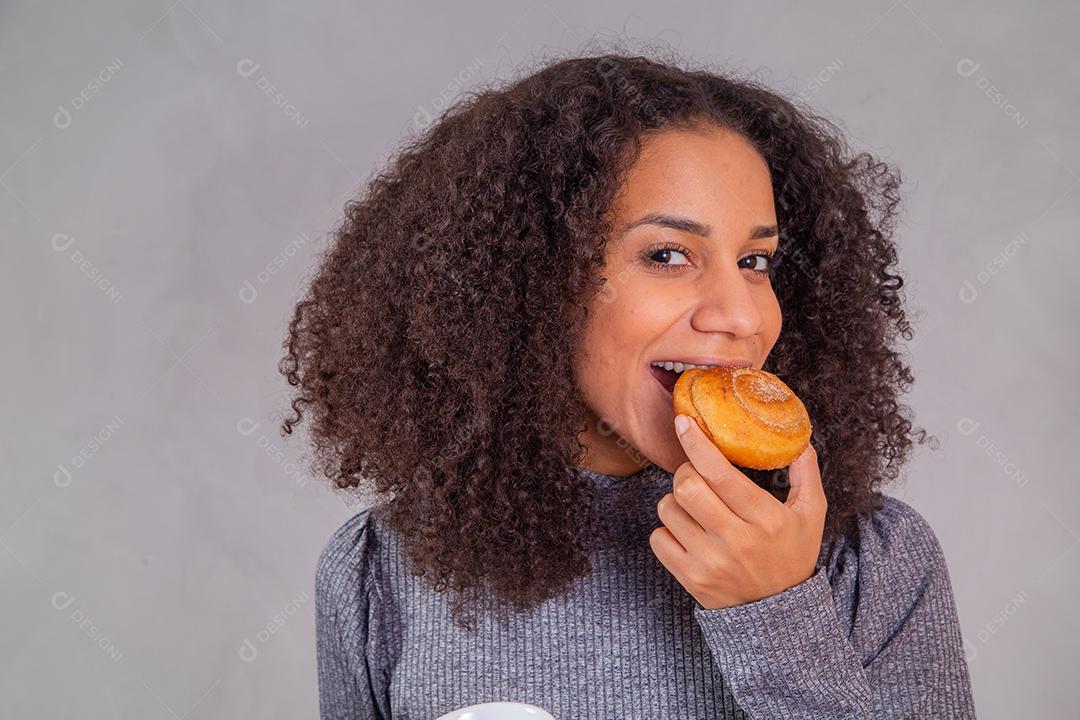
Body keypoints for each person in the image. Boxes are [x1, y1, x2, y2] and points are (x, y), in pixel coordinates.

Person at [281, 51, 977, 719]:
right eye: (667, 254)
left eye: (755, 260)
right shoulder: (377, 573)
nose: (740, 316)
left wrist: (778, 614)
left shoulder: (874, 561)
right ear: (531, 280)